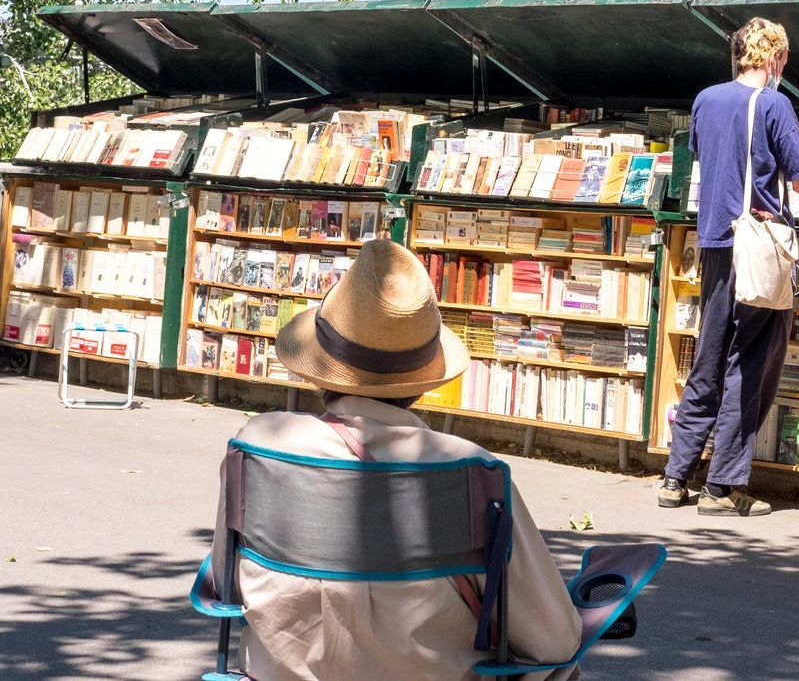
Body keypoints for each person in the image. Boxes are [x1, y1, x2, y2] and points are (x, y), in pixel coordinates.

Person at [210, 239, 582, 680]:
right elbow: (552, 639)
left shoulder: (258, 441)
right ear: (421, 381)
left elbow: (227, 580)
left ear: (320, 366)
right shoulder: (469, 468)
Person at [659, 17, 799, 517]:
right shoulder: (776, 102)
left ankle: (675, 477)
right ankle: (722, 486)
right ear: (776, 58)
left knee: (709, 355)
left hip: (716, 241)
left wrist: (790, 144)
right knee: (754, 359)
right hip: (758, 247)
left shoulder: (706, 99)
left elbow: (725, 158)